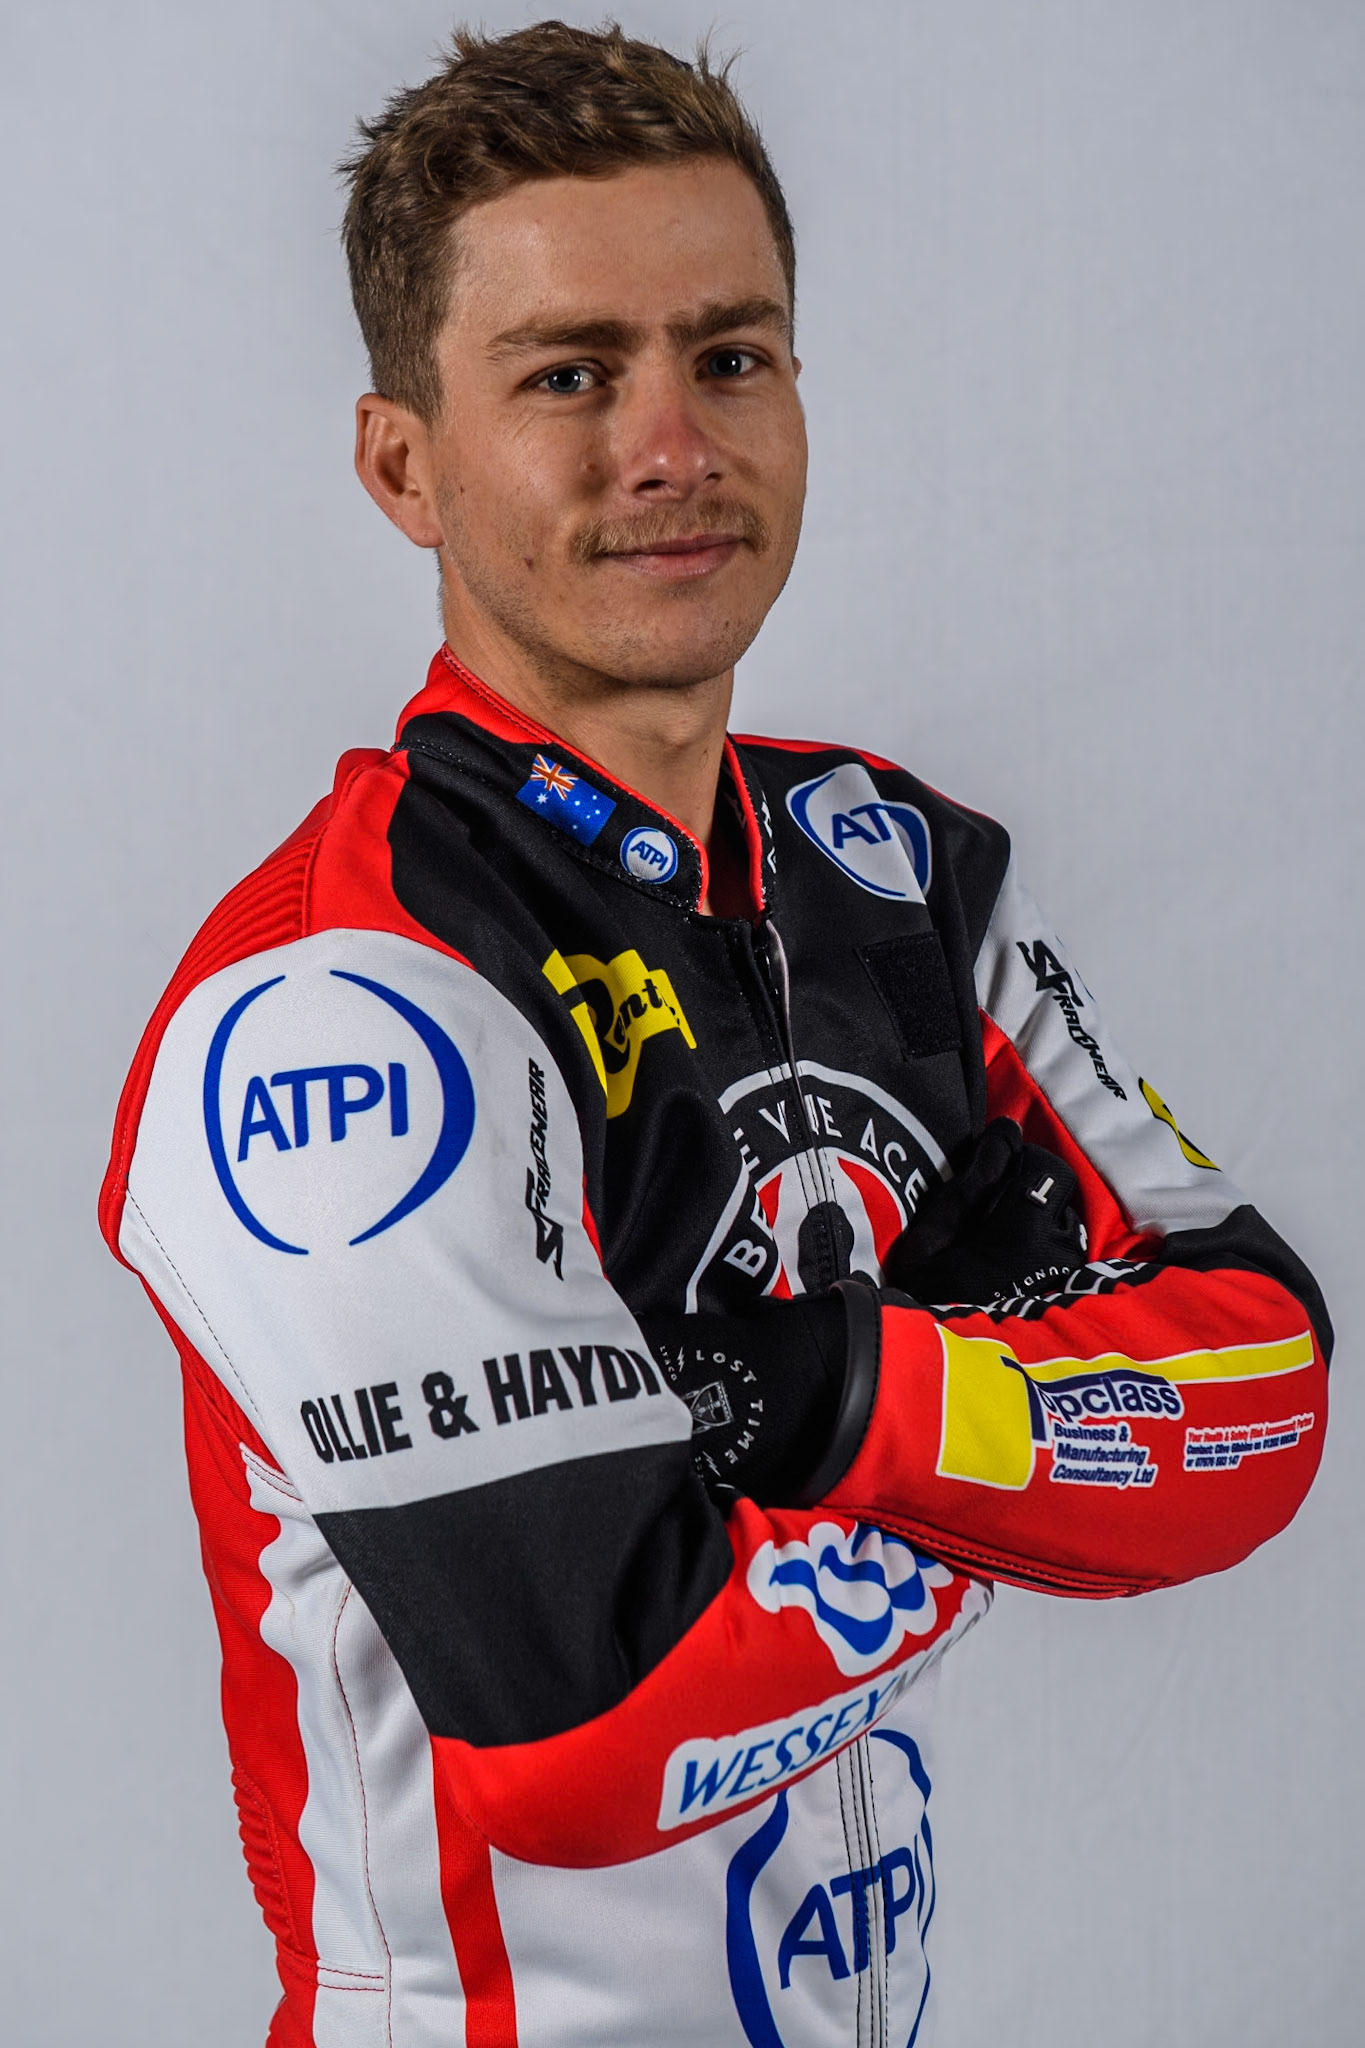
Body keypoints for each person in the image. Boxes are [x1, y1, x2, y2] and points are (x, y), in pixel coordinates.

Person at [99, 21, 1331, 2048]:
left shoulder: (901, 882)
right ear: (402, 461)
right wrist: (1013, 1435)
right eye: (570, 374)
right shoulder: (339, 994)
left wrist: (847, 1400)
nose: (672, 445)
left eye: (730, 355)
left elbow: (1263, 1395)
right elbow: (586, 1732)